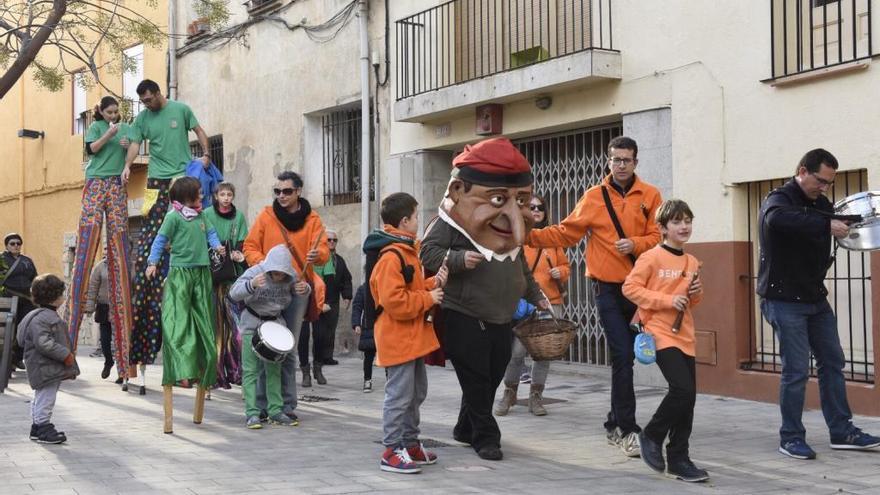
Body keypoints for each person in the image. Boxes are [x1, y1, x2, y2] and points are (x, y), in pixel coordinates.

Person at [527, 136, 662, 457]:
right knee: (621, 356)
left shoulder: (651, 195)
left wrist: (636, 243)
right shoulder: (594, 197)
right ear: (608, 160)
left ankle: (614, 421)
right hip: (607, 289)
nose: (620, 165)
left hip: (640, 288)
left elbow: (659, 234)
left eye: (626, 160)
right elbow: (566, 232)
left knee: (629, 357)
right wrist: (527, 235)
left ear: (636, 162)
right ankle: (627, 429)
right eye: (615, 159)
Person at [420, 138, 548, 461]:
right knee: (476, 375)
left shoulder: (510, 233)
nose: (512, 212)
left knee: (491, 373)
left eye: (520, 200)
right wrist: (459, 259)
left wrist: (536, 295)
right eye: (497, 198)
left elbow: (520, 267)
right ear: (459, 191)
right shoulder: (448, 224)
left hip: (501, 316)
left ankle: (466, 426)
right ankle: (486, 437)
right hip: (463, 311)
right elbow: (428, 253)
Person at [757, 148, 880, 460]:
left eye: (829, 183)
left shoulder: (820, 203)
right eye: (820, 181)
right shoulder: (779, 198)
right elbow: (776, 221)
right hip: (784, 300)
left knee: (833, 362)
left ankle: (842, 431)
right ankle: (791, 437)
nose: (824, 188)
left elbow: (833, 221)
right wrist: (826, 225)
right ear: (802, 171)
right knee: (796, 369)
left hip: (814, 297)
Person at [126, 79, 212, 393]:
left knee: (192, 225)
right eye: (144, 102)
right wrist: (127, 165)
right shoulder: (142, 119)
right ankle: (150, 268)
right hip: (156, 182)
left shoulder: (180, 109)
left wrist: (206, 153)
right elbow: (135, 144)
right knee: (154, 234)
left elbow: (200, 130)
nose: (148, 104)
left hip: (181, 177)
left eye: (151, 99)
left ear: (160, 93)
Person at [622, 199, 708, 482]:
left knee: (689, 398)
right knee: (682, 390)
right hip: (658, 331)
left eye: (688, 221)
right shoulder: (651, 257)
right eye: (677, 222)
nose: (684, 227)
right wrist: (667, 299)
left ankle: (679, 459)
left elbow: (691, 302)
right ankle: (651, 435)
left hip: (684, 334)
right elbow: (630, 288)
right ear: (662, 228)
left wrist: (695, 292)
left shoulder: (692, 261)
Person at [369, 192, 447, 474]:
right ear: (404, 221)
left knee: (416, 393)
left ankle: (410, 443)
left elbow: (409, 288)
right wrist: (429, 298)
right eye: (415, 216)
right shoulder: (392, 256)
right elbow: (395, 303)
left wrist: (430, 284)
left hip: (411, 338)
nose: (418, 221)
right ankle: (391, 450)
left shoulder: (405, 250)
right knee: (400, 396)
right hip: (398, 337)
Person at [243, 170, 329, 423]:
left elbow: (322, 249)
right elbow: (249, 246)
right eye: (277, 191)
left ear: (299, 191)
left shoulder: (312, 219)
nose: (281, 195)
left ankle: (286, 405)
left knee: (287, 347)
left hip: (297, 288)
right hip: (268, 289)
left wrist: (319, 256)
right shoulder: (266, 216)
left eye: (287, 191)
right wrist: (266, 268)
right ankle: (260, 405)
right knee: (262, 346)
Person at [65, 96, 133, 389]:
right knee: (84, 252)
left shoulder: (127, 127)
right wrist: (109, 132)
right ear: (101, 113)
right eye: (109, 112)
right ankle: (65, 357)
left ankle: (125, 361)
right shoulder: (95, 128)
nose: (114, 115)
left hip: (116, 185)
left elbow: (133, 147)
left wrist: (128, 162)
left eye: (116, 112)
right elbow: (91, 149)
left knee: (120, 249)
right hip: (94, 183)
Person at [145, 177, 224, 392]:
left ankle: (201, 369)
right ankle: (181, 372)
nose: (202, 195)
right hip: (181, 272)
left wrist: (217, 246)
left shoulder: (201, 215)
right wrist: (152, 263)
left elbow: (211, 233)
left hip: (201, 272)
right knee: (180, 322)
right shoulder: (173, 218)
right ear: (186, 196)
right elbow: (160, 240)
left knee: (204, 323)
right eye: (198, 192)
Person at [495, 194, 570, 417]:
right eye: (532, 207)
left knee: (543, 354)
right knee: (516, 352)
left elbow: (566, 266)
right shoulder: (518, 239)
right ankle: (509, 393)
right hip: (525, 305)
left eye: (540, 208)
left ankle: (536, 396)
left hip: (550, 303)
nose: (536, 210)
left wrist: (562, 272)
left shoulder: (552, 238)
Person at [230, 245, 309, 428]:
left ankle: (275, 411)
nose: (279, 277)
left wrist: (304, 290)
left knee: (274, 370)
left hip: (275, 326)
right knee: (250, 371)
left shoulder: (290, 277)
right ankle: (252, 413)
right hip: (252, 323)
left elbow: (302, 292)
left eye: (283, 273)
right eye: (275, 273)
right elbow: (234, 293)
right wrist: (251, 285)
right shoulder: (255, 272)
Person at [17, 274, 80, 444]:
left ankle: (37, 427)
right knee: (47, 397)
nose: (64, 297)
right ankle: (43, 426)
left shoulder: (38, 315)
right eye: (61, 294)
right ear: (53, 299)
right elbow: (44, 343)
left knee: (41, 396)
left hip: (44, 366)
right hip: (45, 367)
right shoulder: (44, 318)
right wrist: (65, 354)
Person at [203, 182, 249, 389]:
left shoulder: (238, 217)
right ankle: (215, 374)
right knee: (214, 328)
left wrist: (239, 254)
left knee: (237, 329)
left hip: (232, 278)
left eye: (229, 194)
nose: (226, 198)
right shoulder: (206, 214)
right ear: (216, 196)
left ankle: (237, 372)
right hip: (211, 278)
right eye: (222, 194)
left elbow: (242, 241)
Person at [315, 229, 353, 366]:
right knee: (319, 329)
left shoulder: (340, 260)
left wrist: (347, 296)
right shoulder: (318, 257)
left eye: (334, 240)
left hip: (333, 299)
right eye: (329, 239)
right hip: (318, 298)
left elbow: (346, 279)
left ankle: (327, 356)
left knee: (330, 328)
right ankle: (318, 357)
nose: (331, 242)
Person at [1, 232, 38, 371]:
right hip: (7, 298)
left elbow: (35, 278)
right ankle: (6, 359)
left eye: (18, 243)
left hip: (26, 300)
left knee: (25, 328)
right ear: (7, 245)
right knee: (8, 329)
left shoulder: (27, 260)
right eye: (12, 243)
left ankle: (17, 358)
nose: (16, 246)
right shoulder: (1, 259)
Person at [83, 256, 117, 381]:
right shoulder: (101, 266)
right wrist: (90, 307)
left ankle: (122, 372)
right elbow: (93, 287)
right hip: (104, 307)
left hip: (122, 308)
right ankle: (108, 361)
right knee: (104, 340)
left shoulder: (128, 264)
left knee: (122, 342)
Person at [351, 283, 376, 393]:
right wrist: (356, 324)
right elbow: (357, 307)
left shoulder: (385, 284)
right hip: (368, 325)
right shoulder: (363, 288)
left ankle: (390, 380)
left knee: (387, 354)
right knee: (369, 355)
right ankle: (367, 380)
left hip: (384, 325)